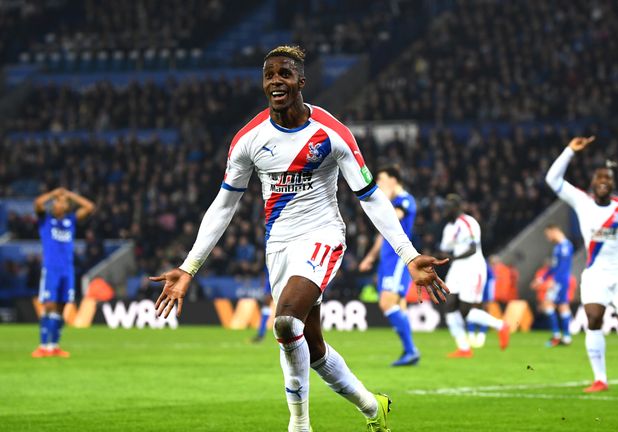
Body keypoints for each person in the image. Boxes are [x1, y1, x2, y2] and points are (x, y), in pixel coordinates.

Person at [149, 45, 449, 432]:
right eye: (269, 74)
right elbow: (223, 206)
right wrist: (189, 267)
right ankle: (374, 407)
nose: (276, 81)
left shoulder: (330, 133)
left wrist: (408, 255)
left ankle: (299, 425)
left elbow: (370, 195)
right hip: (279, 246)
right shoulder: (248, 140)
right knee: (314, 349)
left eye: (284, 74)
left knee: (286, 321)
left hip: (322, 236)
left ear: (301, 82)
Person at [545, 136, 618, 393]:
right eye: (599, 178)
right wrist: (569, 152)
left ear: (613, 184)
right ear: (592, 184)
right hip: (595, 274)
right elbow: (552, 180)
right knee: (593, 318)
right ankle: (600, 379)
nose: (604, 181)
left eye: (608, 178)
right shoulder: (581, 201)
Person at [358, 165, 420, 366]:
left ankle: (411, 350)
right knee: (398, 306)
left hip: (398, 259)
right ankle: (409, 351)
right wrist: (370, 257)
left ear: (394, 180)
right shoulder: (393, 202)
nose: (380, 184)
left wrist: (380, 202)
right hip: (386, 259)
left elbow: (396, 216)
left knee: (386, 303)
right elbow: (382, 233)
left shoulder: (405, 200)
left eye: (382, 179)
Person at [440, 194, 510, 358]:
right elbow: (445, 248)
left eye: (447, 208)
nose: (444, 211)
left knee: (465, 311)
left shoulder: (468, 222)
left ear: (456, 208)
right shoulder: (449, 228)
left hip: (472, 268)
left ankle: (501, 326)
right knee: (449, 306)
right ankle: (464, 348)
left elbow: (472, 248)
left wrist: (452, 257)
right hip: (456, 269)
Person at [31, 187, 95, 358]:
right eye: (55, 202)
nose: (56, 204)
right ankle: (43, 346)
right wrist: (54, 193)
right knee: (49, 305)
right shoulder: (45, 220)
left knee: (61, 308)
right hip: (51, 269)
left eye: (61, 202)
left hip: (67, 271)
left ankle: (54, 345)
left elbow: (89, 207)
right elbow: (37, 203)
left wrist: (70, 195)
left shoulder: (71, 221)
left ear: (67, 207)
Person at [532, 224, 574, 347]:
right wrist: (542, 278)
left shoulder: (565, 246)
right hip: (559, 280)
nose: (547, 237)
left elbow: (563, 268)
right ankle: (566, 337)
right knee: (562, 307)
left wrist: (554, 280)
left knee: (547, 304)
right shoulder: (558, 247)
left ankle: (556, 336)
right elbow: (554, 267)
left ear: (554, 231)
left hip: (561, 281)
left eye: (548, 234)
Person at [252, 269, 273, 343]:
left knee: (266, 305)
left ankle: (261, 334)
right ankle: (261, 334)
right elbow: (263, 274)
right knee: (266, 306)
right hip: (270, 281)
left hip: (275, 279)